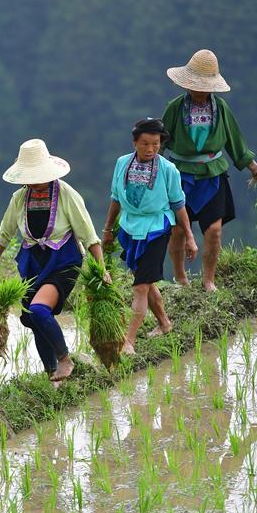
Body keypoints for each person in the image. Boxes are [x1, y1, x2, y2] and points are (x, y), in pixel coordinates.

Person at [0, 139, 106, 382]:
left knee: (39, 310)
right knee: (32, 318)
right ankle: (51, 374)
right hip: (33, 263)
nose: (33, 181)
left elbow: (88, 234)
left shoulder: (66, 194)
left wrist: (101, 269)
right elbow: (4, 234)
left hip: (64, 261)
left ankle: (65, 359)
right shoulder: (20, 198)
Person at [162, 49, 257, 291]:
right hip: (180, 175)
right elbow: (160, 141)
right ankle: (180, 278)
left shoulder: (220, 108)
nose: (199, 91)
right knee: (177, 230)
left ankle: (208, 280)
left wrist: (252, 166)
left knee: (214, 230)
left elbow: (234, 140)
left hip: (213, 174)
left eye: (203, 86)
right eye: (195, 85)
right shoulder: (175, 108)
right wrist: (152, 170)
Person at [102, 119, 198, 355]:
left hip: (156, 228)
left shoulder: (168, 169)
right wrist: (108, 229)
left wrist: (189, 237)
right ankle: (165, 323)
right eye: (145, 143)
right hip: (129, 227)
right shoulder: (122, 163)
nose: (151, 149)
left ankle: (129, 342)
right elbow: (116, 198)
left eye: (156, 143)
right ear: (134, 142)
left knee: (140, 287)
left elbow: (178, 205)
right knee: (145, 280)